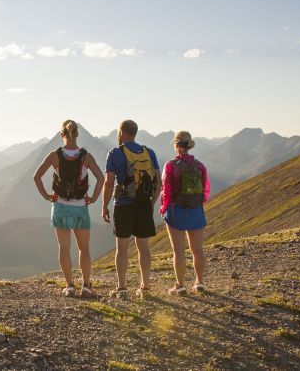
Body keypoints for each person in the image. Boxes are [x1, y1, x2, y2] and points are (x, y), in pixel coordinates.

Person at [34, 120, 105, 297]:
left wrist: (46, 195)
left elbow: (37, 177)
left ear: (61, 135)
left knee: (64, 248)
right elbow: (100, 178)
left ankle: (70, 286)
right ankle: (87, 287)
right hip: (80, 207)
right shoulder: (86, 156)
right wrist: (94, 198)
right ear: (77, 134)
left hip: (60, 206)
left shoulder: (54, 155)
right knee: (84, 249)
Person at [101, 120, 161, 299]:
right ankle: (146, 287)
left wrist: (104, 205)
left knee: (122, 248)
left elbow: (109, 182)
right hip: (143, 204)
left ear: (120, 132)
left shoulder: (115, 153)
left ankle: (122, 288)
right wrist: (151, 204)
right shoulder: (149, 152)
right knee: (143, 247)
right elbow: (158, 182)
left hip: (123, 205)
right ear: (135, 133)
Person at [160, 131, 210, 294]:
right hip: (195, 209)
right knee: (197, 250)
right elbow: (206, 191)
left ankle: (180, 285)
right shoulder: (200, 166)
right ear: (189, 146)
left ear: (176, 145)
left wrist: (163, 208)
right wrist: (196, 203)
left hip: (176, 210)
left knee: (178, 251)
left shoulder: (170, 165)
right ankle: (199, 282)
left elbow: (165, 190)